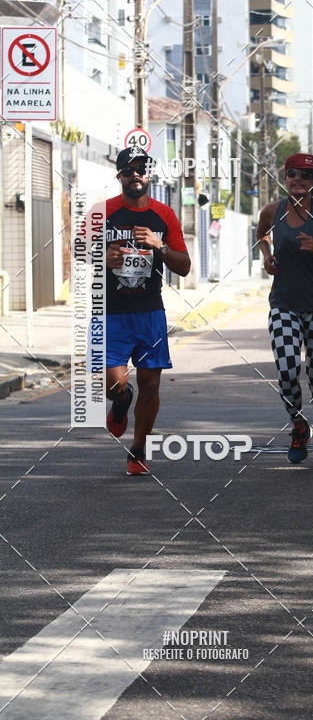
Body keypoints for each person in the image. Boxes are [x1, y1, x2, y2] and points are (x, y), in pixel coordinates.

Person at [103, 146, 191, 475]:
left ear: (149, 174)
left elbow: (184, 266)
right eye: (129, 170)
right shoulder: (103, 212)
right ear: (120, 176)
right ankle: (121, 401)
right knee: (115, 384)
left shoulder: (164, 215)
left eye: (141, 169)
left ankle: (138, 449)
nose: (136, 174)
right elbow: (78, 250)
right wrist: (102, 257)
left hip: (150, 312)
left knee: (151, 385)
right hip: (111, 314)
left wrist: (160, 245)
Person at [257, 153, 313, 468]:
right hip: (283, 304)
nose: (299, 179)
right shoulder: (272, 211)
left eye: (307, 175)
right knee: (286, 370)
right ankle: (298, 426)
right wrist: (267, 257)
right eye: (293, 173)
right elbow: (261, 235)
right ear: (285, 176)